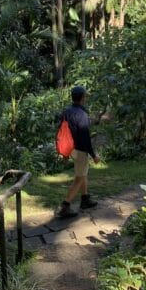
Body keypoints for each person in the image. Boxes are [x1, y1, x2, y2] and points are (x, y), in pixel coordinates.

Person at [55, 85, 100, 218]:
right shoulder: (82, 115)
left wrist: (64, 151)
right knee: (79, 178)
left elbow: (62, 131)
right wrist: (93, 155)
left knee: (83, 173)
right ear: (82, 98)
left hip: (71, 148)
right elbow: (85, 138)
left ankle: (85, 199)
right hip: (80, 150)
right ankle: (65, 206)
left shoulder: (66, 112)